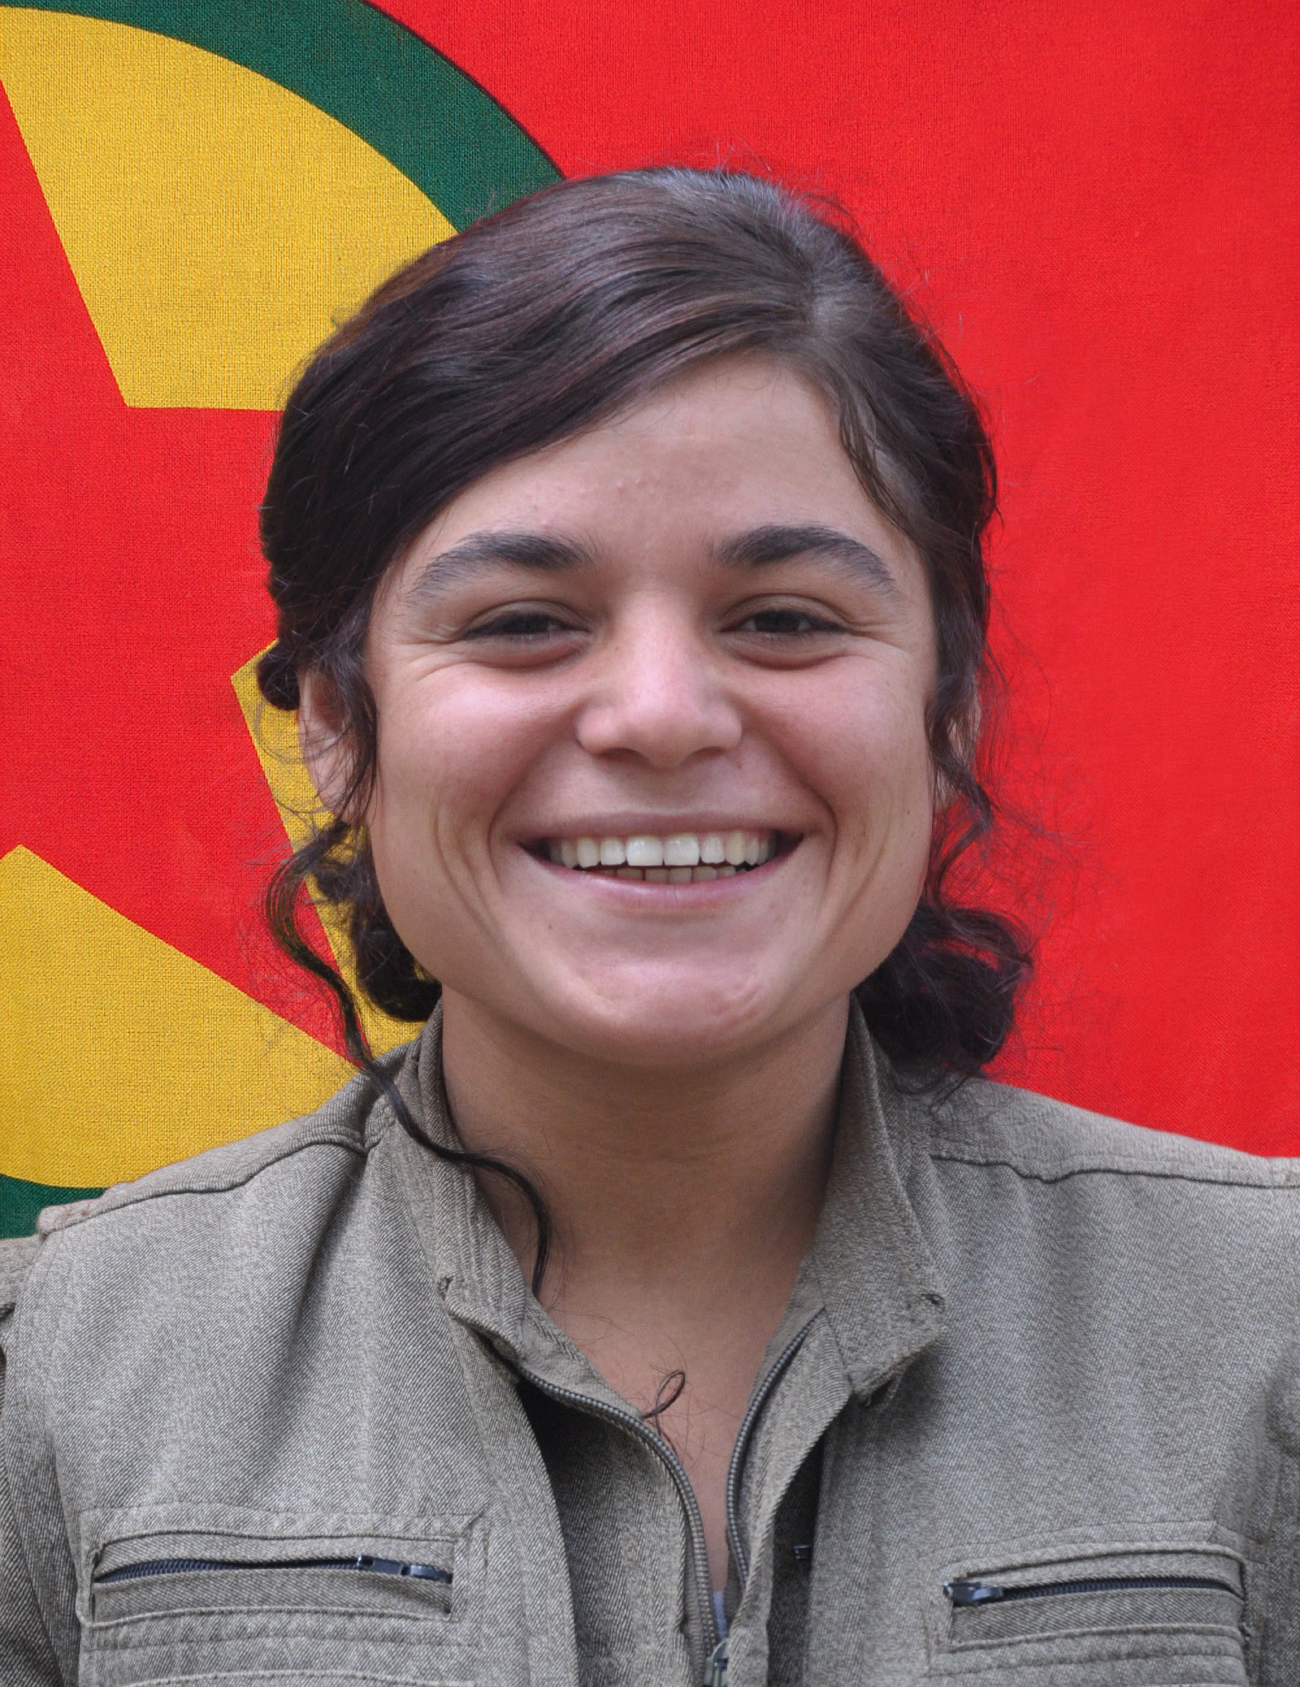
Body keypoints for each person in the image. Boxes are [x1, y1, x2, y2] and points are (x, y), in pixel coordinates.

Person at [1, 168, 1295, 1686]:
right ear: (340, 725)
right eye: (523, 622)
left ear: (944, 710)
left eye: (785, 618)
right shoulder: (60, 1370)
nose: (664, 716)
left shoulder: (1264, 1321)